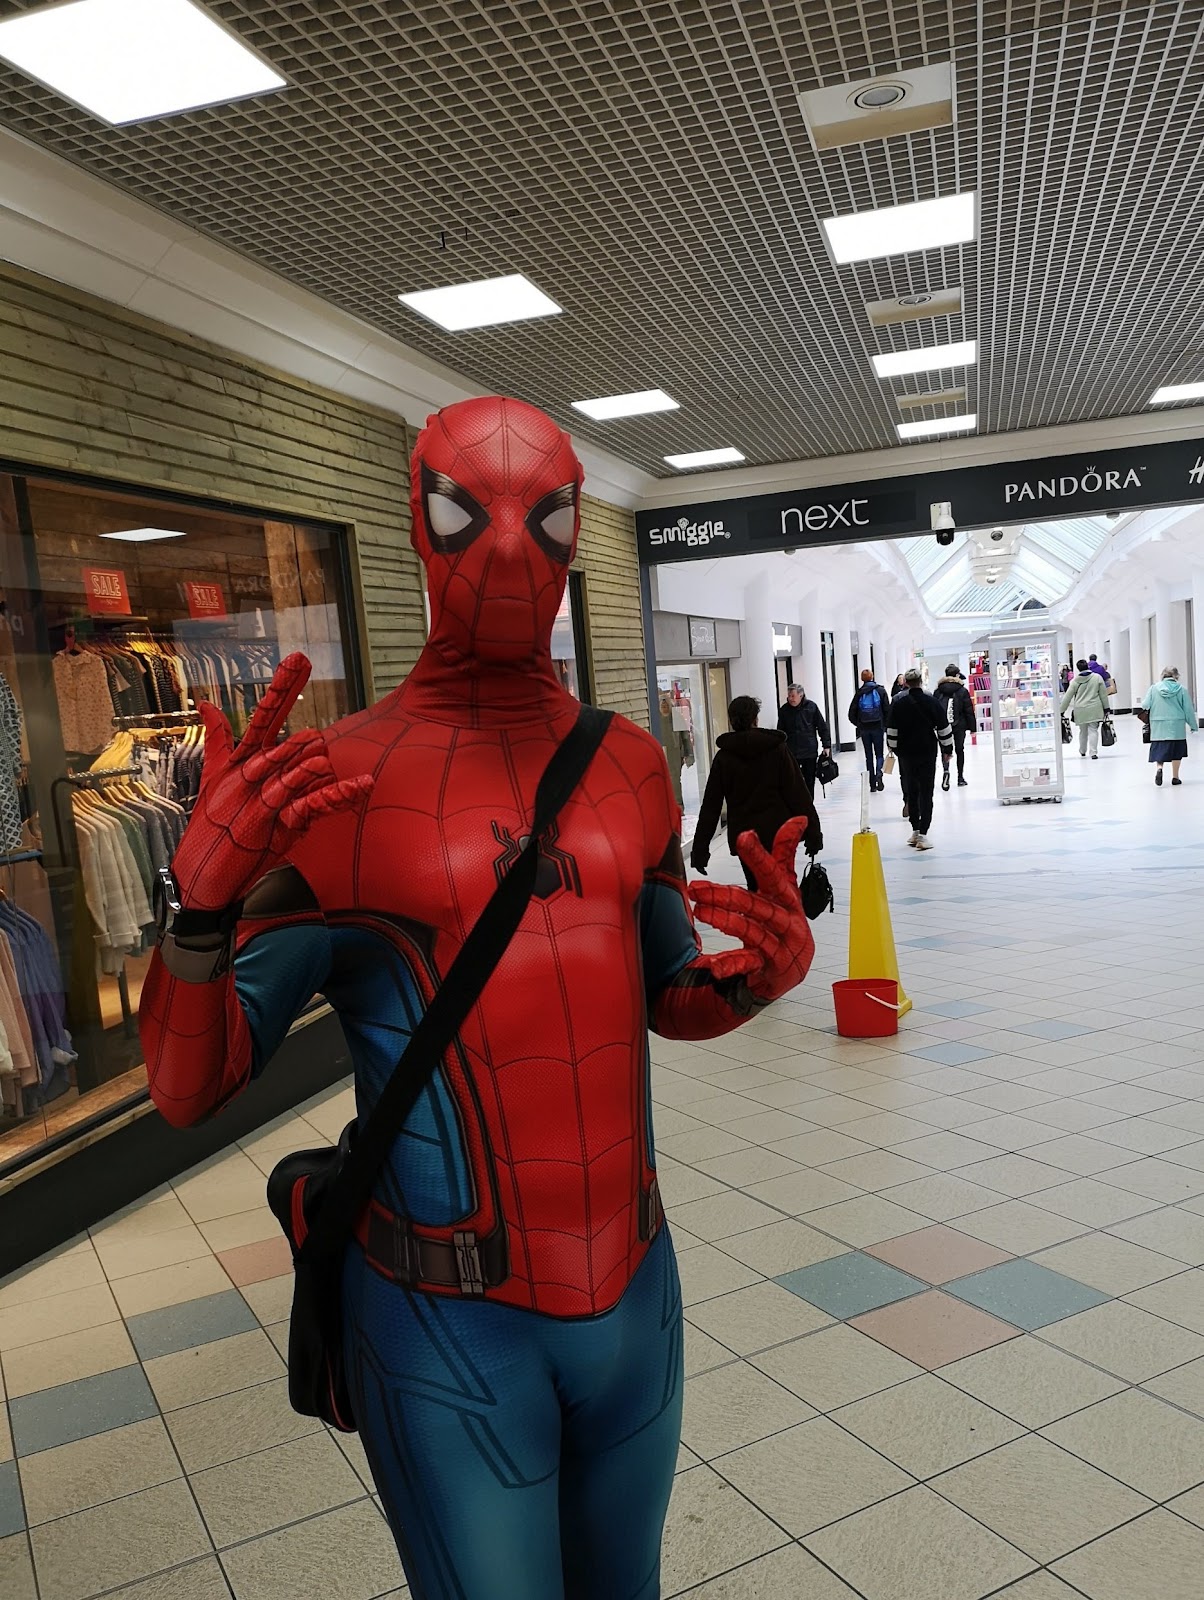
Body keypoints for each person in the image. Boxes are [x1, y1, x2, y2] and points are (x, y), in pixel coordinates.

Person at [138, 397, 816, 1600]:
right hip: (443, 1316)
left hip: (636, 1288)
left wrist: (757, 976)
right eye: (468, 511)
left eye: (545, 517)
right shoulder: (337, 786)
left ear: (576, 532)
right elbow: (191, 1087)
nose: (508, 550)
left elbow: (667, 992)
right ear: (418, 520)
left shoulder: (626, 763)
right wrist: (197, 914)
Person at [691, 695, 823, 890]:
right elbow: (798, 794)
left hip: (745, 838)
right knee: (783, 887)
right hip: (779, 834)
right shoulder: (777, 749)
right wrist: (813, 833)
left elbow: (711, 806)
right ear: (755, 719)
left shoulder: (724, 758)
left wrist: (700, 850)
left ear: (732, 721)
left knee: (755, 887)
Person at [886, 667, 953, 850]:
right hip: (927, 751)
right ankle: (923, 833)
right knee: (926, 791)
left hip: (906, 753)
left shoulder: (899, 704)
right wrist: (947, 749)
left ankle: (915, 829)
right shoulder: (931, 702)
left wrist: (895, 749)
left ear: (906, 683)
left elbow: (891, 730)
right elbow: (943, 727)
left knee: (912, 791)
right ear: (921, 681)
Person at [1142, 665, 1198, 786]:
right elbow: (1188, 709)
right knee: (1177, 752)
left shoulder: (1154, 688)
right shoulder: (1181, 690)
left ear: (1163, 675)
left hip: (1158, 726)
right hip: (1176, 726)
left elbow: (1145, 705)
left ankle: (1159, 769)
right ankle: (1175, 777)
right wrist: (1193, 725)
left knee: (1159, 749)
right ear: (1176, 676)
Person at [777, 683, 831, 794]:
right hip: (792, 751)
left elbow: (822, 727)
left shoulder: (811, 707)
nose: (790, 698)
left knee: (809, 780)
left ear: (800, 695)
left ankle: (809, 802)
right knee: (793, 780)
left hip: (809, 751)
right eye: (789, 696)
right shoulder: (784, 710)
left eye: (793, 696)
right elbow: (780, 731)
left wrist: (826, 745)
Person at [933, 664, 977, 790]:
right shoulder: (962, 691)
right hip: (959, 725)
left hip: (943, 725)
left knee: (945, 749)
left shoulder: (938, 691)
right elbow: (968, 710)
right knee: (959, 750)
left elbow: (934, 709)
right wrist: (972, 728)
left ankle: (946, 771)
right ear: (957, 675)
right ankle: (960, 777)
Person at [847, 667, 889, 791]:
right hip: (878, 727)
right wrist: (885, 725)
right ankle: (879, 773)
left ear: (862, 679)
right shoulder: (880, 691)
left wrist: (859, 724)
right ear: (872, 677)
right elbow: (887, 710)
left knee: (868, 756)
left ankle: (872, 784)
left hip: (865, 729)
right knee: (879, 754)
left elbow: (851, 713)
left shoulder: (859, 693)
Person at [1060, 658, 1110, 758]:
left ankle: (1082, 750)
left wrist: (1061, 711)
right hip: (1094, 708)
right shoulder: (1097, 678)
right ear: (1087, 666)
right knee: (1093, 730)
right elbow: (1103, 695)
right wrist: (1106, 708)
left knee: (1083, 731)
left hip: (1080, 710)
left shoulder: (1074, 681)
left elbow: (1067, 697)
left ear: (1078, 668)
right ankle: (1093, 753)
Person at [658, 691, 694, 807]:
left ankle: (678, 804)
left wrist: (688, 754)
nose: (664, 708)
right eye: (662, 706)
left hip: (674, 752)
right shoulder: (656, 719)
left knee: (674, 780)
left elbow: (685, 737)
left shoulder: (676, 716)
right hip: (660, 752)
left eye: (666, 706)